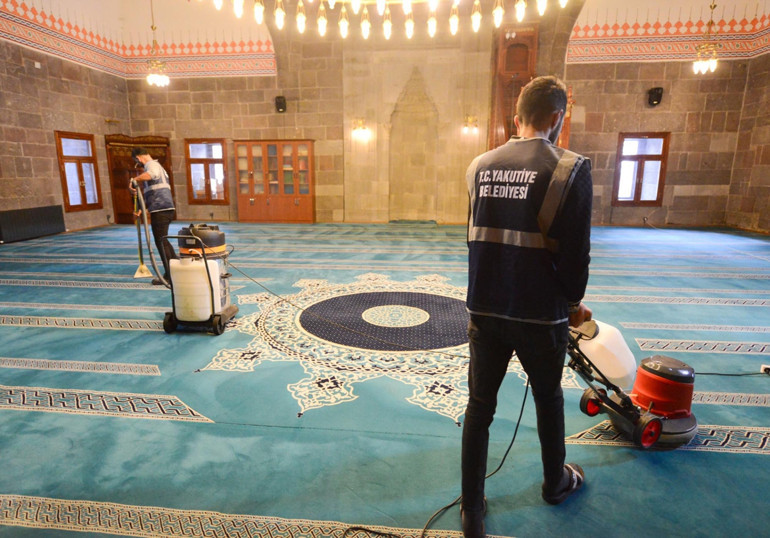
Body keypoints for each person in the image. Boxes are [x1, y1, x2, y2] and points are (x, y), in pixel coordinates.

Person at [461, 75, 593, 538]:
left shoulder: (479, 165)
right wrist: (574, 304)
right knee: (548, 399)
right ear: (557, 118)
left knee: (479, 408)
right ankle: (555, 483)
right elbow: (576, 256)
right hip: (541, 315)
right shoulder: (570, 168)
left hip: (486, 310)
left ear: (516, 118)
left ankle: (472, 511)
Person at [129, 147, 177, 285]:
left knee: (161, 242)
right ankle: (174, 270)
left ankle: (170, 276)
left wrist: (135, 179)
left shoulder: (152, 165)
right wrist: (144, 210)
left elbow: (152, 175)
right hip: (162, 208)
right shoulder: (157, 166)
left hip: (161, 210)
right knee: (164, 241)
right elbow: (154, 192)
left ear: (138, 158)